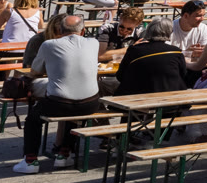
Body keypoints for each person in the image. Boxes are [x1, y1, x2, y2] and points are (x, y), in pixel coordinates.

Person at [14, 11, 103, 173]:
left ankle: (30, 161)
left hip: (59, 103)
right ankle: (64, 153)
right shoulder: (93, 42)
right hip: (90, 103)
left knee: (33, 119)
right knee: (75, 111)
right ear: (83, 31)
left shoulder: (48, 45)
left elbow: (35, 71)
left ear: (60, 30)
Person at [114, 17, 192, 95]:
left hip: (136, 96)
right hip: (169, 96)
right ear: (169, 32)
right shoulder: (176, 52)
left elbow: (120, 76)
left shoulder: (134, 50)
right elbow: (183, 75)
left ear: (149, 31)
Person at [171, 0, 207, 71]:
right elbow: (166, 55)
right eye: (198, 15)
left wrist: (200, 53)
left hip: (194, 69)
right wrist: (187, 53)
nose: (202, 19)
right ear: (186, 16)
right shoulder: (170, 28)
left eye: (203, 15)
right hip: (174, 68)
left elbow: (205, 57)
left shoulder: (203, 28)